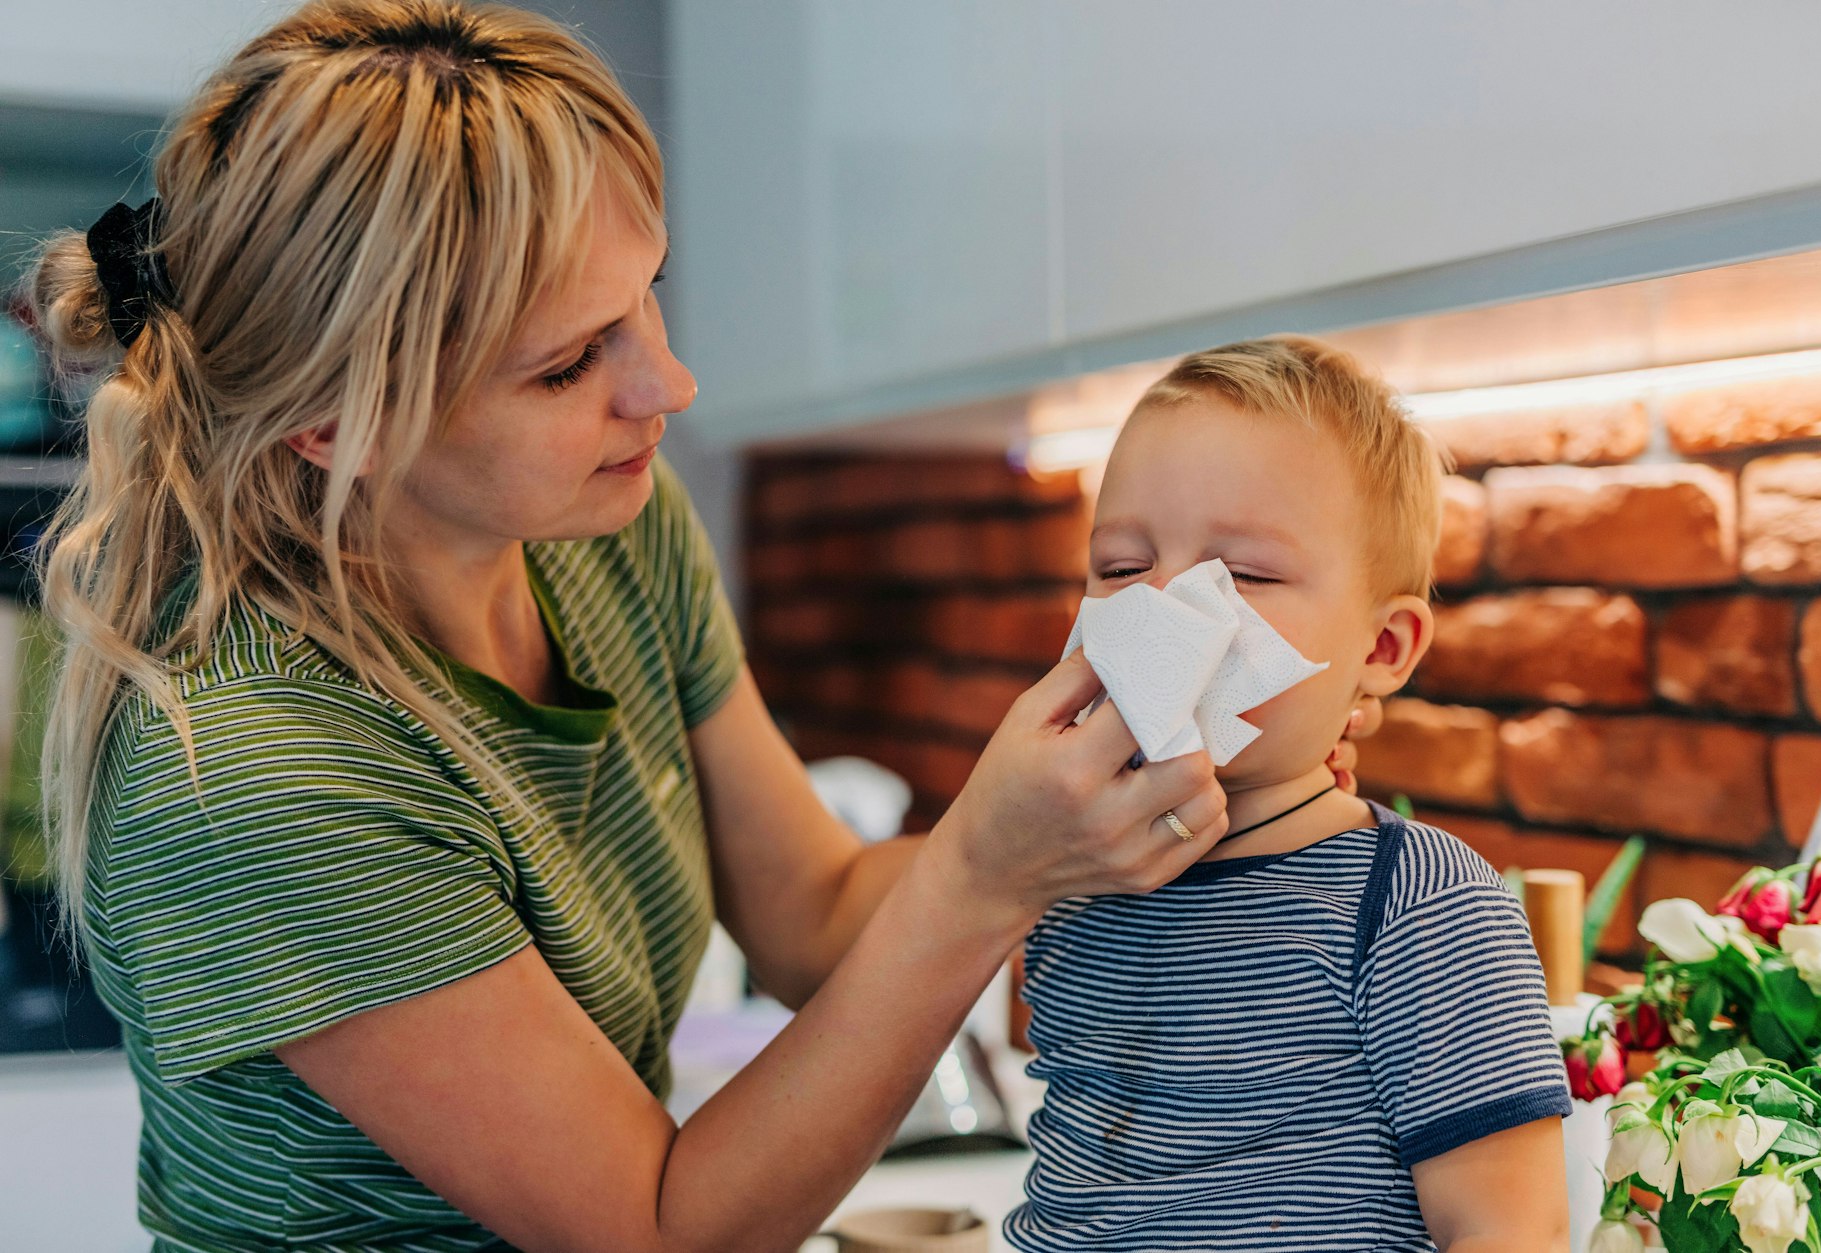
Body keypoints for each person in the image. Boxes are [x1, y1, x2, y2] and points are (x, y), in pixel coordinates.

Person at [23, 5, 1380, 1250]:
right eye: (568, 363)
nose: (665, 382)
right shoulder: (255, 768)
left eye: (644, 296)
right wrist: (985, 875)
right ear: (339, 425)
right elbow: (657, 1230)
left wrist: (1113, 830)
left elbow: (809, 911)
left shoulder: (604, 536)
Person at [1006, 337, 1571, 1252]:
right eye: (1119, 567)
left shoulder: (1418, 909)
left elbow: (1511, 1230)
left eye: (1243, 577)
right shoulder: (1070, 881)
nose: (1163, 607)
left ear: (1382, 650)